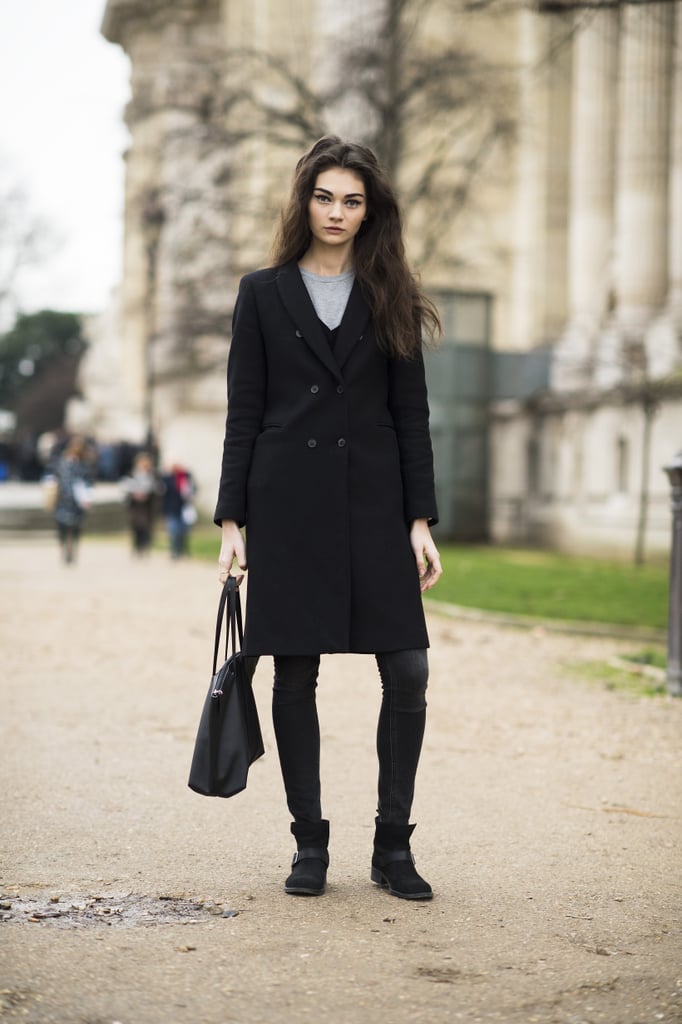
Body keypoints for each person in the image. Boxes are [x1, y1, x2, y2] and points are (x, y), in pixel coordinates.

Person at [214, 135, 443, 900]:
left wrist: (421, 519)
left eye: (351, 200)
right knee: (294, 671)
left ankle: (393, 846)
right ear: (303, 200)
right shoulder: (262, 291)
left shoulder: (393, 293)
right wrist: (231, 521)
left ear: (369, 209)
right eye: (324, 197)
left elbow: (412, 415)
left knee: (408, 667)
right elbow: (243, 411)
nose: (337, 212)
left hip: (377, 506)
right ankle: (309, 844)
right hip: (289, 504)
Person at [52, 435, 93, 564]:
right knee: (62, 526)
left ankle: (72, 550)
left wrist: (87, 497)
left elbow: (88, 483)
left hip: (77, 501)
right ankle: (65, 548)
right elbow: (53, 477)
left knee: (76, 527)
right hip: (63, 499)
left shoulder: (85, 466)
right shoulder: (62, 463)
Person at [121, 451, 159, 556]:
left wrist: (148, 494)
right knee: (136, 526)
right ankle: (137, 547)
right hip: (135, 506)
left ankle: (145, 546)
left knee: (146, 527)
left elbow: (157, 488)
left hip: (147, 506)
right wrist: (134, 494)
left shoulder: (153, 475)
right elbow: (126, 487)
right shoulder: (132, 474)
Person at [161, 463, 196, 558]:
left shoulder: (186, 477)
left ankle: (183, 550)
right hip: (172, 509)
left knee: (184, 531)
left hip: (185, 509)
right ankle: (174, 551)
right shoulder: (166, 479)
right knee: (174, 531)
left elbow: (194, 489)